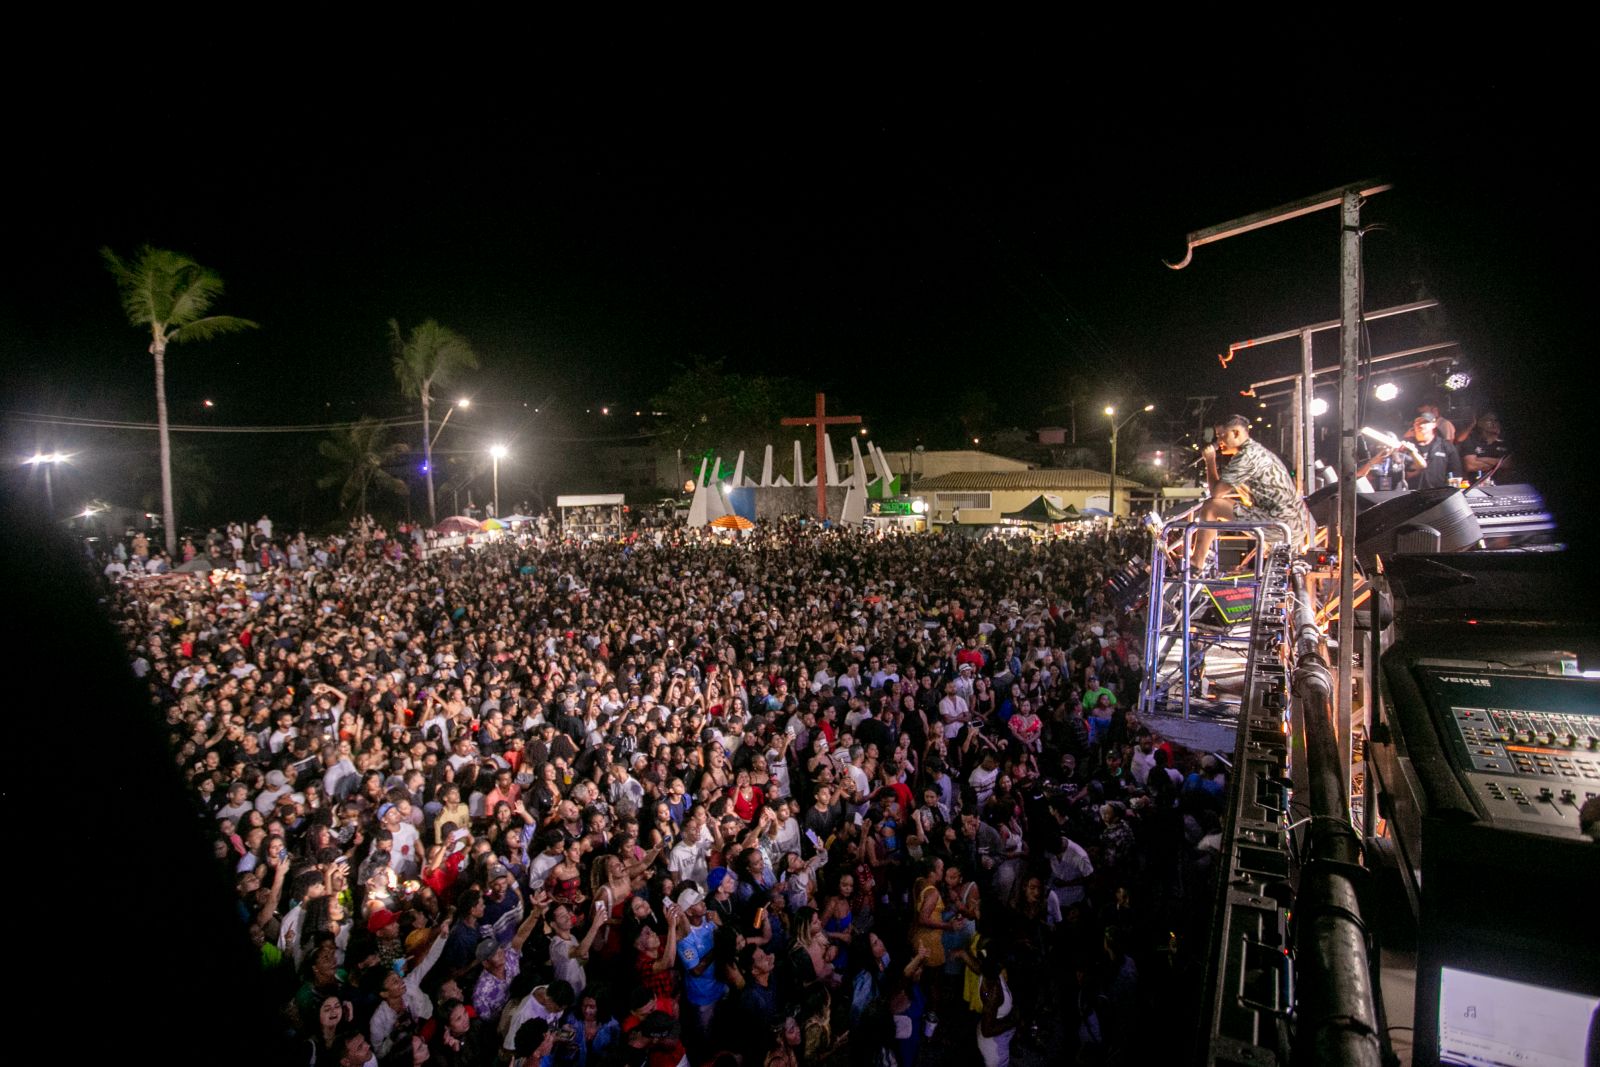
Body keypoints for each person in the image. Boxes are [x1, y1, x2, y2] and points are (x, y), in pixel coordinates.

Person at [1190, 415, 1314, 572]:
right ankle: (1203, 555)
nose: (1218, 441)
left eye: (1222, 435)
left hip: (1280, 524)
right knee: (1219, 506)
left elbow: (1216, 493)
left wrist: (1210, 461)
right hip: (1294, 523)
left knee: (1211, 506)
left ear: (1236, 433)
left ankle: (1196, 563)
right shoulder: (1256, 451)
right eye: (1217, 436)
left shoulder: (1246, 457)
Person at [1395, 411, 1463, 490]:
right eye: (1417, 422)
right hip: (1410, 494)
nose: (1421, 425)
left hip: (1438, 495)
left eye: (1425, 422)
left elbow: (1455, 473)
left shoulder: (1445, 446)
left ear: (1434, 424)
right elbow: (1397, 473)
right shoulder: (1405, 446)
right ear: (1414, 425)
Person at [1460, 410, 1511, 483]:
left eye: (1496, 420)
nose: (1494, 423)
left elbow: (1509, 464)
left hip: (1503, 485)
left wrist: (1480, 459)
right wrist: (1499, 463)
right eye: (1489, 420)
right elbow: (1470, 466)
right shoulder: (1471, 439)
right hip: (1476, 486)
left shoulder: (1506, 441)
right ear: (1479, 423)